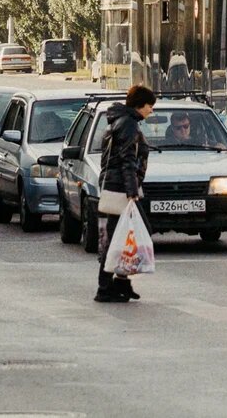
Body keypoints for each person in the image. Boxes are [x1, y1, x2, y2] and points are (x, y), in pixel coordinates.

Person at [95, 84, 155, 304]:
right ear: (141, 104)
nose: (151, 110)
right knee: (121, 238)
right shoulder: (128, 125)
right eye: (150, 105)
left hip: (119, 186)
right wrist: (132, 192)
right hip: (122, 189)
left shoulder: (123, 122)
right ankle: (105, 287)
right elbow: (127, 160)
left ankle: (120, 283)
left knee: (122, 237)